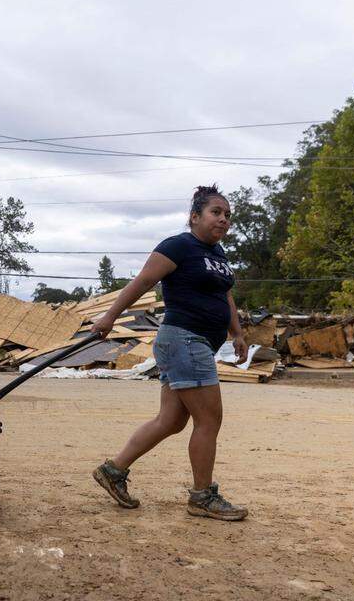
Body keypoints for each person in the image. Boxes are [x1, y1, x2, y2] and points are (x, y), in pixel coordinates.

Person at [90, 184, 249, 521]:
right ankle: (202, 497)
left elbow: (225, 296)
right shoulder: (179, 246)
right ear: (194, 217)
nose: (223, 220)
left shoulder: (218, 256)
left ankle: (113, 471)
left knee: (172, 420)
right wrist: (109, 317)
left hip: (194, 342)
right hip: (184, 339)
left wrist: (237, 332)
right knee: (209, 420)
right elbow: (142, 283)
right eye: (216, 213)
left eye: (227, 215)